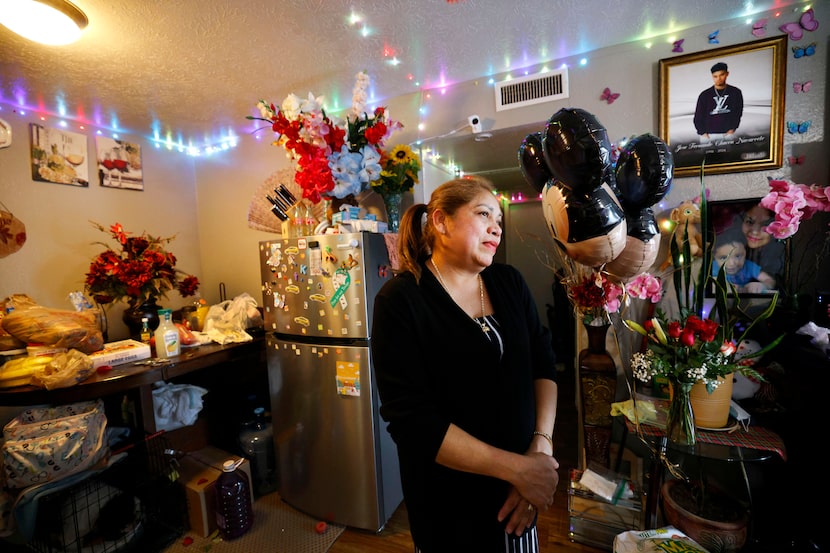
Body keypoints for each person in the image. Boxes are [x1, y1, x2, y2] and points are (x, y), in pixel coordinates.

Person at [371, 176, 560, 552]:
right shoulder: (402, 300)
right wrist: (518, 470)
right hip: (449, 502)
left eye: (500, 221)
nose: (496, 227)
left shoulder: (509, 282)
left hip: (521, 489)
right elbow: (412, 421)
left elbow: (544, 364)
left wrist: (539, 451)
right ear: (441, 222)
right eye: (484, 213)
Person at [712, 226, 775, 293]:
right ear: (714, 256)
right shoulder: (712, 268)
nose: (732, 263)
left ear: (745, 252)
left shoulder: (749, 266)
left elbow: (770, 281)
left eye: (738, 256)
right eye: (723, 258)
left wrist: (762, 285)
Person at [693, 62, 744, 144]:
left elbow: (738, 112)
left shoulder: (735, 92)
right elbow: (698, 116)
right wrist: (703, 133)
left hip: (728, 134)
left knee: (730, 156)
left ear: (727, 74)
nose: (719, 78)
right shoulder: (705, 95)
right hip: (708, 135)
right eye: (715, 76)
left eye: (721, 75)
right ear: (712, 77)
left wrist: (732, 129)